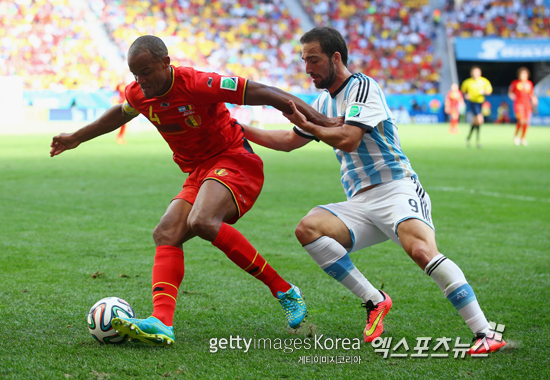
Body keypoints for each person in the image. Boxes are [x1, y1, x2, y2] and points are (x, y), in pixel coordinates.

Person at [50, 35, 338, 347]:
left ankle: (284, 290)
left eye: (146, 72)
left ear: (165, 63)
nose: (141, 81)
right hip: (199, 172)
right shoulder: (138, 93)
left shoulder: (199, 84)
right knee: (166, 233)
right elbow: (120, 113)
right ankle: (162, 322)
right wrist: (76, 137)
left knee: (202, 220)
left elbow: (265, 92)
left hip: (235, 160)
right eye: (135, 74)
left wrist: (323, 121)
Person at [243, 27, 505, 355]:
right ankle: (375, 300)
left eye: (313, 59)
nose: (307, 68)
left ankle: (485, 332)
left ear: (335, 58)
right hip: (361, 202)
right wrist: (238, 128)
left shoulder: (363, 87)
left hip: (396, 188)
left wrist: (314, 126)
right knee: (308, 229)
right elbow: (288, 141)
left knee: (422, 252)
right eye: (304, 60)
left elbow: (349, 138)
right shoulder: (323, 101)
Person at [461, 66, 492, 149]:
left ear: (480, 73)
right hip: (473, 103)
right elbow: (463, 92)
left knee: (476, 122)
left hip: (481, 102)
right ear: (471, 73)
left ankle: (469, 138)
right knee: (480, 120)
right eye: (474, 72)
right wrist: (465, 96)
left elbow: (489, 91)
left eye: (477, 72)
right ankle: (477, 140)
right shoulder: (467, 82)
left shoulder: (484, 81)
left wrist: (484, 92)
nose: (475, 74)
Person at [508, 67, 538, 146]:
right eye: (522, 74)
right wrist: (512, 96)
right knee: (521, 120)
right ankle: (515, 136)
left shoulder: (529, 84)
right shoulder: (515, 83)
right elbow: (510, 92)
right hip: (518, 104)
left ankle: (522, 138)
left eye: (524, 74)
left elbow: (531, 94)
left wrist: (534, 99)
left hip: (527, 105)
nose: (523, 76)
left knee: (526, 122)